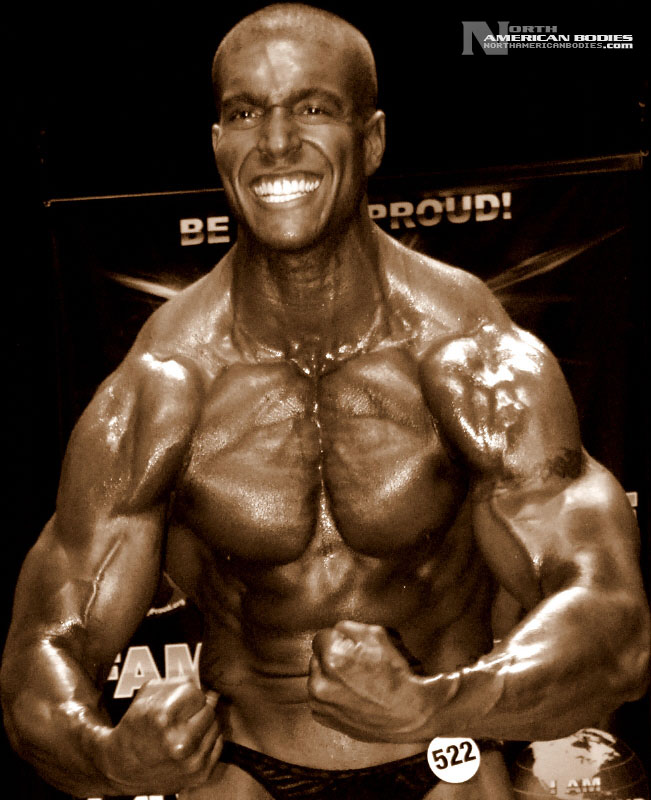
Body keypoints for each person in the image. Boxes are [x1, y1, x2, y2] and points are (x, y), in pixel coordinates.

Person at [2, 4, 649, 799]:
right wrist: (109, 757)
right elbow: (41, 651)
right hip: (247, 768)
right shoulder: (164, 384)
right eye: (246, 114)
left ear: (370, 139)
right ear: (218, 144)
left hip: (443, 754)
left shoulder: (471, 360)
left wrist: (436, 702)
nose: (276, 142)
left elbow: (613, 624)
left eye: (311, 108)